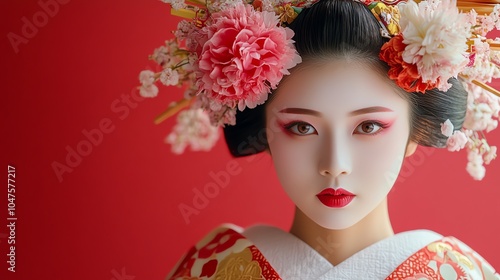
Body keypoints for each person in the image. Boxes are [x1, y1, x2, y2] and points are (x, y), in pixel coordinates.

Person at [139, 0, 500, 278]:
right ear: (263, 128)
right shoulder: (214, 268)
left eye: (369, 126)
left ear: (416, 131)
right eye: (301, 127)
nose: (334, 165)